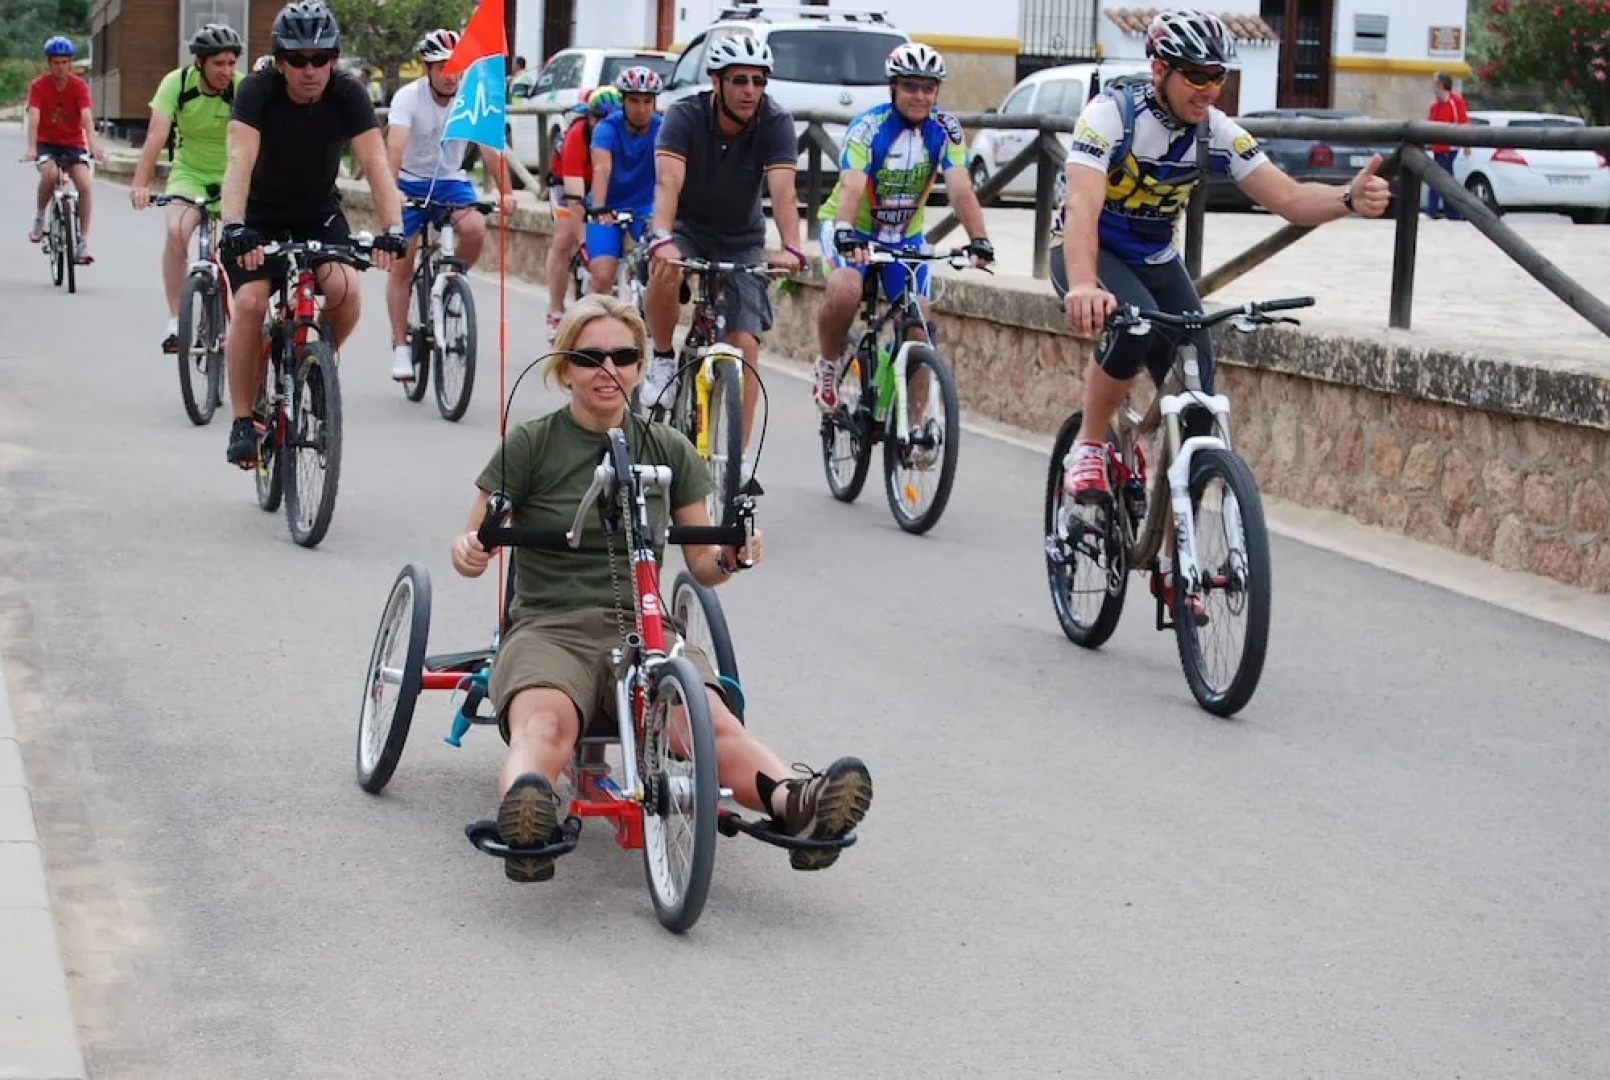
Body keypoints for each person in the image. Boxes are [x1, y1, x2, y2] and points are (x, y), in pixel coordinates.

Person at [450, 295, 873, 881]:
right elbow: (468, 545)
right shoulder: (532, 444)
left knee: (707, 723)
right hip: (551, 626)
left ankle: (796, 802)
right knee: (546, 724)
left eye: (624, 356)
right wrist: (472, 548)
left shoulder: (668, 448)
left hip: (644, 627)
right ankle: (530, 808)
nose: (608, 370)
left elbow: (702, 564)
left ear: (640, 364)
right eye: (590, 356)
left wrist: (731, 557)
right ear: (564, 367)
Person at [1054, 9, 1389, 610]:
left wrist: (1345, 198)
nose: (1209, 89)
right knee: (1128, 333)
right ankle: (1090, 442)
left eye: (1218, 77)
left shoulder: (1215, 128)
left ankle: (1169, 560)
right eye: (1196, 77)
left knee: (1198, 397)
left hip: (1155, 258)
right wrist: (1082, 284)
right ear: (1159, 69)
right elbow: (1081, 205)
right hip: (1093, 253)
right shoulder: (1111, 115)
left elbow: (1287, 196)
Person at [218, 0, 406, 467]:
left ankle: (312, 365)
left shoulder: (348, 95)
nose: (310, 70)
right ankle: (244, 417)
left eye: (320, 58)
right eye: (298, 60)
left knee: (345, 290)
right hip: (259, 215)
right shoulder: (257, 92)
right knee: (250, 303)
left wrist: (394, 228)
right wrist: (234, 226)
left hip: (317, 211)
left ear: (334, 60)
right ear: (280, 62)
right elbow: (239, 162)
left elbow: (376, 163)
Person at [641, 34, 806, 464]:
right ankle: (661, 358)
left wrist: (791, 246)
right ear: (716, 82)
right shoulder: (684, 116)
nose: (750, 90)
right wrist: (662, 237)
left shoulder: (775, 121)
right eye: (739, 80)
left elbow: (783, 191)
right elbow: (667, 182)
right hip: (686, 226)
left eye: (758, 81)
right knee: (664, 269)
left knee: (745, 343)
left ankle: (738, 459)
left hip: (742, 237)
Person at [813, 43, 994, 412]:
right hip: (853, 228)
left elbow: (960, 188)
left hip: (905, 237)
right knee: (846, 290)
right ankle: (828, 364)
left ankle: (915, 431)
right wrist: (845, 232)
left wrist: (979, 239)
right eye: (911, 86)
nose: (920, 96)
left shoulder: (946, 130)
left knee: (920, 323)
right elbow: (850, 184)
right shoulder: (868, 127)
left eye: (929, 88)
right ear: (893, 88)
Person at [384, 28, 513, 381]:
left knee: (474, 228)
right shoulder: (408, 98)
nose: (451, 73)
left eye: (457, 66)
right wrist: (390, 189)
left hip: (449, 180)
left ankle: (453, 282)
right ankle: (400, 346)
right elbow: (394, 147)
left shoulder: (471, 98)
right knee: (402, 263)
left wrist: (507, 191)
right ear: (428, 68)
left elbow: (489, 146)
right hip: (409, 180)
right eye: (442, 66)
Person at [130, 24, 244, 353]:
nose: (226, 71)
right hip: (189, 172)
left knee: (244, 245)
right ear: (199, 63)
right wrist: (140, 183)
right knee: (178, 232)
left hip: (232, 174)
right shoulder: (176, 83)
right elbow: (155, 135)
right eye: (218, 63)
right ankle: (175, 319)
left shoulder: (241, 89)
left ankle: (242, 323)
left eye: (231, 63)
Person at [543, 86, 620, 339]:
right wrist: (586, 242)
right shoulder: (576, 137)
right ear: (588, 117)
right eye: (597, 118)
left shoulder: (619, 135)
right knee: (564, 237)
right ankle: (555, 311)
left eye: (609, 119)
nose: (602, 125)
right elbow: (575, 199)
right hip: (566, 184)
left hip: (600, 184)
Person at [21, 36, 107, 263]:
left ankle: (83, 242)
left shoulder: (79, 86)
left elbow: (87, 119)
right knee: (49, 174)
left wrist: (94, 147)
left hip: (72, 143)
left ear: (71, 63)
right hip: (46, 142)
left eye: (65, 62)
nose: (60, 67)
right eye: (56, 62)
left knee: (85, 185)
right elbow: (34, 118)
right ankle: (40, 218)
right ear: (49, 63)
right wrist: (31, 148)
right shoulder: (38, 86)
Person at [583, 66, 662, 296]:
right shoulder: (607, 128)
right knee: (603, 275)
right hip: (607, 207)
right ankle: (588, 324)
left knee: (659, 265)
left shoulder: (662, 128)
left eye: (648, 101)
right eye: (634, 101)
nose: (641, 109)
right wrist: (599, 207)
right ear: (623, 102)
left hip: (644, 207)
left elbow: (669, 171)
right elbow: (601, 168)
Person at [1425, 71, 1469, 220]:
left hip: (1449, 148)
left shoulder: (1455, 101)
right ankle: (1452, 213)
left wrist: (1466, 144)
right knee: (1445, 179)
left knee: (1438, 178)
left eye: (1434, 83)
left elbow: (1462, 122)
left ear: (1441, 85)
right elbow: (1430, 126)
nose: (1432, 86)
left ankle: (1432, 211)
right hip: (1438, 148)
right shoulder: (1435, 106)